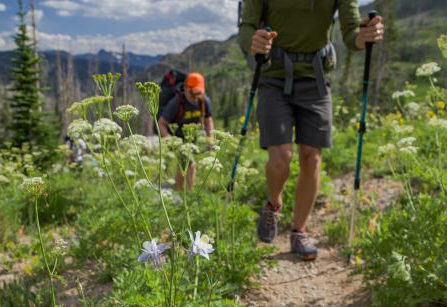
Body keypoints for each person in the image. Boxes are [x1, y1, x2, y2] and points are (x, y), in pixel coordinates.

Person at [238, 0, 384, 260]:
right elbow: (247, 27)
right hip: (273, 76)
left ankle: (299, 230)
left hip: (315, 78)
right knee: (280, 157)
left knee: (311, 157)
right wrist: (255, 41)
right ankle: (273, 204)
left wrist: (364, 36)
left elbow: (351, 35)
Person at [158, 72, 215, 190]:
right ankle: (190, 194)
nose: (195, 97)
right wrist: (170, 140)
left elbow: (208, 120)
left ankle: (177, 190)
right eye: (192, 93)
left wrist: (211, 140)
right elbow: (161, 124)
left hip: (192, 138)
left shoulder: (204, 101)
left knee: (183, 165)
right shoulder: (176, 103)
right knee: (190, 164)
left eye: (198, 93)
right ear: (185, 88)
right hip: (176, 138)